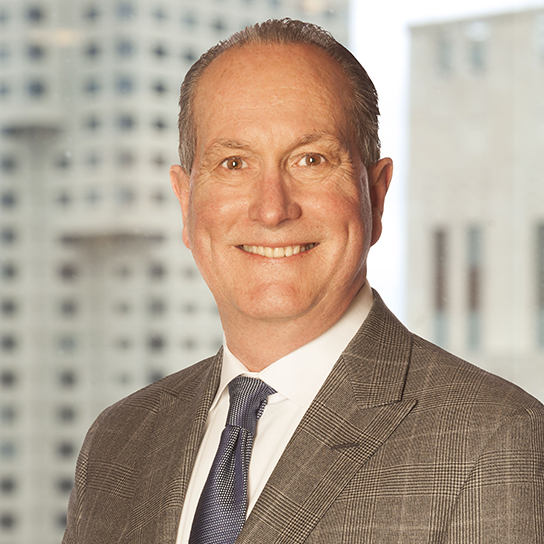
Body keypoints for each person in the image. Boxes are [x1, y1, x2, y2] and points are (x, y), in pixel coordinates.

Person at [63, 19, 544, 544]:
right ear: (186, 203)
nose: (272, 209)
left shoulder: (497, 443)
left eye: (311, 159)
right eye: (234, 163)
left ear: (376, 195)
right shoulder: (117, 443)